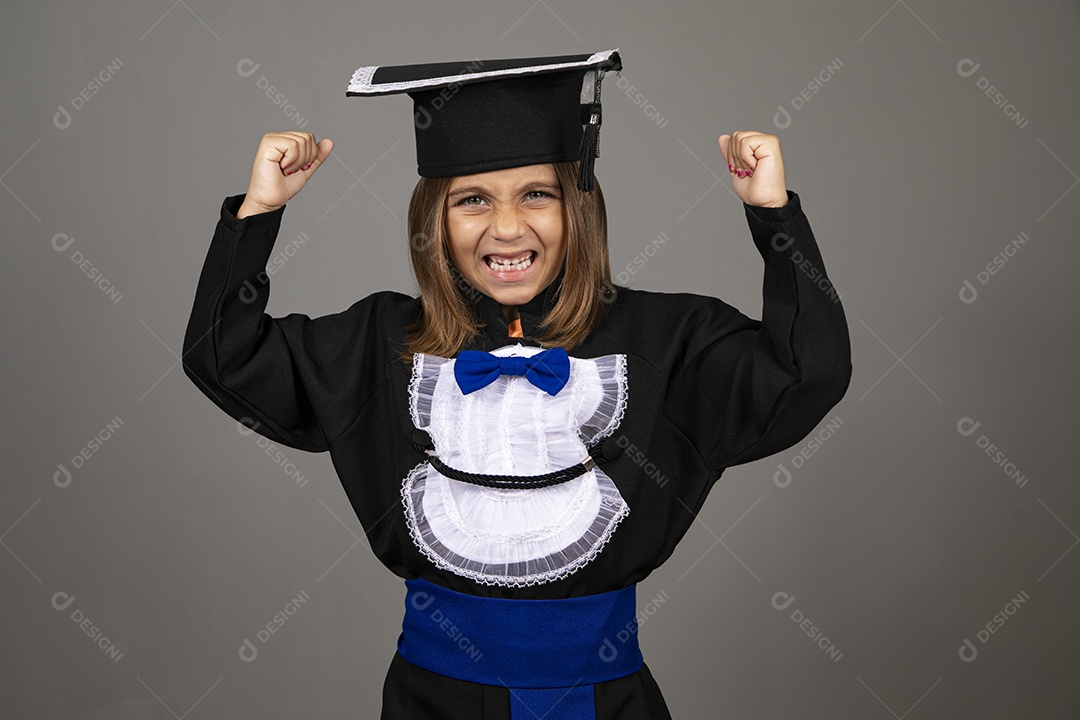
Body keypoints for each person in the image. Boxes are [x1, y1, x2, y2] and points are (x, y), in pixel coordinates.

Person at [182, 49, 852, 720]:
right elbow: (223, 355)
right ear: (435, 222)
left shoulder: (666, 341)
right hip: (427, 702)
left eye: (537, 194)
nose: (506, 227)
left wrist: (774, 219)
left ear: (580, 206)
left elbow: (805, 372)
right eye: (472, 200)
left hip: (604, 701)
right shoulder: (378, 345)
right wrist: (258, 214)